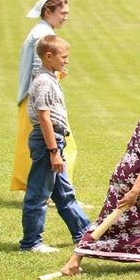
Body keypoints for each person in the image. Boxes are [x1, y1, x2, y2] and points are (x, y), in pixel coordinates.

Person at [58, 78, 140, 276]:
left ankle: (72, 263)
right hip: (138, 178)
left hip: (122, 172)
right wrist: (135, 191)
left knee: (107, 219)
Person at [20, 35, 91, 251]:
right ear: (48, 56)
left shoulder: (49, 78)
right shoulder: (43, 82)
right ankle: (31, 242)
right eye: (64, 57)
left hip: (55, 141)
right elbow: (44, 118)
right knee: (39, 194)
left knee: (64, 193)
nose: (67, 61)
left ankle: (85, 234)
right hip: (47, 142)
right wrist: (53, 151)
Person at [12, 0, 76, 190]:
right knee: (64, 146)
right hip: (38, 101)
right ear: (48, 12)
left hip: (31, 98)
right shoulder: (42, 35)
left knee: (32, 145)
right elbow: (37, 69)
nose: (65, 17)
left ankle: (49, 191)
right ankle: (58, 193)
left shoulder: (41, 30)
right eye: (62, 13)